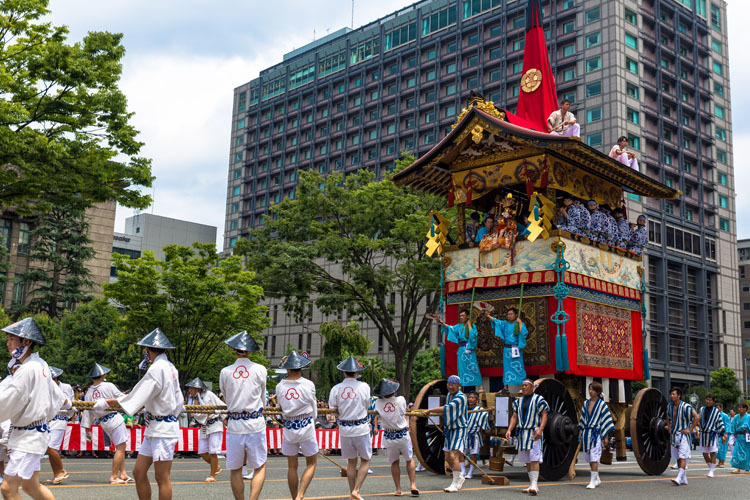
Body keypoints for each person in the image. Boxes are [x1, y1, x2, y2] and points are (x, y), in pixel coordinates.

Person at [96, 328, 183, 500]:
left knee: (162, 477)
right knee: (138, 471)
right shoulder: (170, 367)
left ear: (148, 350)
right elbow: (176, 399)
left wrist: (109, 402)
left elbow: (137, 397)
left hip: (163, 428)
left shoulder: (157, 368)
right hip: (157, 426)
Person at [0, 317, 68, 500]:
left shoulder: (27, 369)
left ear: (26, 341)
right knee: (31, 487)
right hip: (32, 433)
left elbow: (9, 398)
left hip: (29, 436)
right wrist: (68, 404)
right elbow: (57, 395)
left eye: (11, 339)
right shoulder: (41, 364)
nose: (7, 344)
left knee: (8, 488)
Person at [220, 331, 268, 500]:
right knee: (260, 466)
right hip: (255, 422)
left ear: (234, 349)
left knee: (235, 468)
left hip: (235, 424)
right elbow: (263, 397)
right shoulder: (260, 369)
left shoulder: (225, 371)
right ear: (250, 351)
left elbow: (225, 396)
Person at [275, 351, 318, 500]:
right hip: (306, 424)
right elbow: (314, 408)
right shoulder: (309, 384)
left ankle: (294, 498)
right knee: (311, 463)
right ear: (301, 367)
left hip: (289, 426)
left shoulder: (280, 386)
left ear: (287, 368)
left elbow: (279, 407)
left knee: (292, 466)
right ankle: (300, 495)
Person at [81, 362, 132, 484]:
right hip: (113, 418)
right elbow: (121, 398)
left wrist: (87, 430)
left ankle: (123, 473)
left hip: (103, 422)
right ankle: (114, 476)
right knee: (121, 447)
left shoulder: (88, 393)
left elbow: (87, 414)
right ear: (102, 375)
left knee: (120, 446)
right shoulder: (108, 386)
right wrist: (130, 396)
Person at [329, 356, 371, 500]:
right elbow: (367, 404)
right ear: (357, 372)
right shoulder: (364, 386)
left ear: (344, 372)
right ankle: (357, 490)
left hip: (345, 428)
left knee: (351, 462)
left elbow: (333, 410)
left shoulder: (336, 388)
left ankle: (352, 492)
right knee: (366, 460)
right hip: (360, 427)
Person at [373, 378, 418, 497]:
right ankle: (413, 484)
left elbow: (377, 414)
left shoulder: (378, 403)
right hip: (402, 434)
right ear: (394, 390)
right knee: (409, 459)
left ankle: (398, 489)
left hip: (389, 435)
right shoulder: (401, 399)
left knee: (394, 462)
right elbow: (404, 411)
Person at [424, 375, 467, 492]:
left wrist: (430, 410)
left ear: (459, 386)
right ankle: (460, 478)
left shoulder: (461, 397)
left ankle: (454, 483)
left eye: (453, 384)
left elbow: (446, 408)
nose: (450, 386)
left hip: (459, 428)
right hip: (449, 428)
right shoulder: (449, 395)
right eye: (449, 384)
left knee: (453, 455)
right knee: (447, 457)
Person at [506, 379, 549, 496]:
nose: (524, 387)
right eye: (522, 385)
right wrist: (509, 429)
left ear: (532, 387)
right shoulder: (518, 401)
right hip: (522, 432)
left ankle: (535, 484)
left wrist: (540, 430)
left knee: (534, 458)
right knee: (527, 460)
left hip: (534, 430)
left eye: (526, 385)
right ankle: (531, 484)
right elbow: (514, 417)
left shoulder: (539, 399)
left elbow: (544, 415)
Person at [185, 377, 224, 482]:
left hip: (214, 424)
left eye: (191, 388)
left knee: (213, 451)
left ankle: (212, 476)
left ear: (197, 389)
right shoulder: (192, 400)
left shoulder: (209, 395)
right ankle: (216, 467)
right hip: (204, 426)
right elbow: (192, 413)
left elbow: (222, 406)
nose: (189, 390)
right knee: (202, 451)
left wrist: (217, 412)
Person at [431, 310, 482, 390]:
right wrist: (441, 322)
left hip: (469, 348)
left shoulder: (472, 325)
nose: (461, 317)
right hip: (461, 350)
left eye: (463, 316)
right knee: (461, 368)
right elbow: (450, 328)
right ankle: (462, 386)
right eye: (460, 316)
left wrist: (469, 325)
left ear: (468, 316)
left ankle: (480, 386)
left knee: (473, 366)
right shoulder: (459, 326)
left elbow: (473, 336)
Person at [578, 382, 614, 489]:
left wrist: (606, 437)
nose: (590, 391)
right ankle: (596, 478)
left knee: (594, 457)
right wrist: (580, 431)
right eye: (589, 389)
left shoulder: (602, 405)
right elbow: (582, 418)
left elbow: (605, 421)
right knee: (589, 457)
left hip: (595, 433)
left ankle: (592, 481)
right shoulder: (585, 403)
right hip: (586, 433)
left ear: (598, 392)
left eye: (592, 390)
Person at [484, 308, 528, 390]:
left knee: (519, 367)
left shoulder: (519, 323)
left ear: (515, 315)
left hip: (516, 349)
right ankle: (506, 386)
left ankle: (523, 386)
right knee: (507, 368)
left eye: (511, 314)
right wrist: (488, 316)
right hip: (507, 350)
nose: (510, 316)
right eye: (508, 314)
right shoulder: (505, 324)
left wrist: (520, 323)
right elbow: (496, 321)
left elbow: (524, 333)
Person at [44, 367, 74, 485]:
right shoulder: (45, 388)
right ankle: (56, 473)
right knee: (46, 447)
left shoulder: (66, 387)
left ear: (56, 379)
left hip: (61, 417)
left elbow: (71, 404)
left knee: (51, 446)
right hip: (48, 419)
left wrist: (70, 415)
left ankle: (61, 471)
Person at [666, 387, 699, 486]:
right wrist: (669, 427)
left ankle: (679, 477)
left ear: (679, 395)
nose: (672, 396)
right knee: (678, 458)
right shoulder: (669, 406)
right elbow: (667, 416)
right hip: (674, 435)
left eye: (674, 394)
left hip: (683, 435)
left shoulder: (686, 406)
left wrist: (690, 429)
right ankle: (684, 478)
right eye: (671, 394)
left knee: (682, 456)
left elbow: (696, 417)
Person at [463, 391, 490, 480]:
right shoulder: (464, 409)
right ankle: (463, 471)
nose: (470, 399)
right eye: (469, 397)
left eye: (472, 398)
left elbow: (485, 418)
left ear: (477, 400)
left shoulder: (480, 410)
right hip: (464, 436)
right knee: (460, 454)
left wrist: (489, 411)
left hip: (474, 436)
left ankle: (470, 473)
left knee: (473, 455)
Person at [698, 394, 725, 478]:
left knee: (712, 453)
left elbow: (719, 423)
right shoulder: (701, 409)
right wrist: (698, 430)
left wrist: (723, 434)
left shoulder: (716, 411)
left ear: (713, 402)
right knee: (705, 454)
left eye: (710, 400)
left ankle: (711, 471)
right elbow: (698, 419)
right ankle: (711, 468)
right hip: (703, 434)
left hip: (712, 434)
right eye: (707, 399)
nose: (708, 401)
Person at [730, 401, 750, 474]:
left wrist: (747, 428)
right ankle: (737, 468)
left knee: (747, 452)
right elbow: (732, 426)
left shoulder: (749, 417)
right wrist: (735, 434)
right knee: (736, 452)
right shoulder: (736, 417)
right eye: (738, 407)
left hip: (747, 437)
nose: (739, 409)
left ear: (745, 409)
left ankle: (747, 469)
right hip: (738, 437)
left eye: (741, 407)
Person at [716, 402, 731, 467]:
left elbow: (728, 425)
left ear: (721, 408)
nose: (717, 409)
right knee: (718, 449)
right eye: (716, 407)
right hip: (716, 434)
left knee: (723, 449)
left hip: (723, 434)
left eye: (718, 407)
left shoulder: (725, 416)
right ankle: (719, 461)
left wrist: (726, 434)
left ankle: (722, 462)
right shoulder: (714, 415)